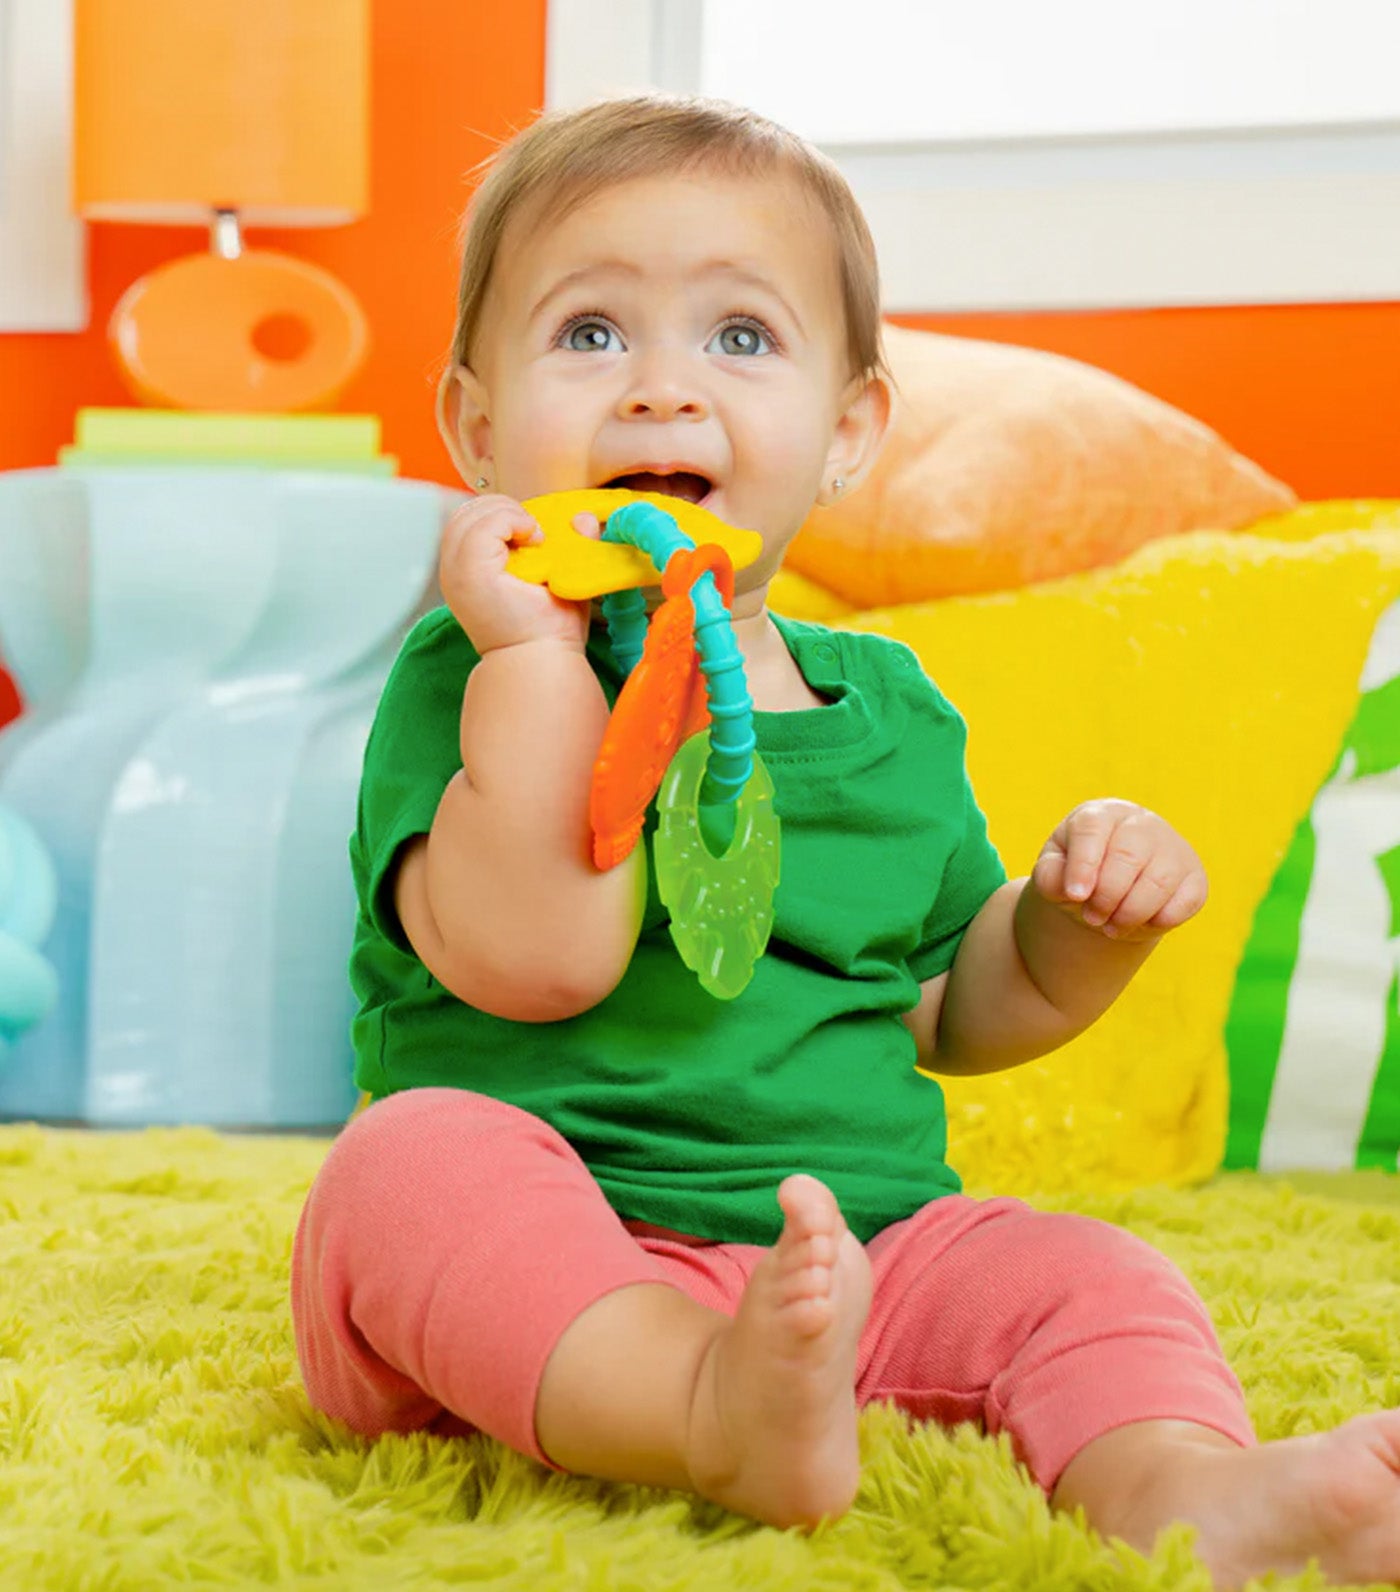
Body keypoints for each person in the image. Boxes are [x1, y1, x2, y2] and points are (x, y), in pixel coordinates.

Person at [291, 94, 1400, 1587]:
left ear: (847, 434)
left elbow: (954, 1004)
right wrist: (538, 664)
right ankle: (694, 1404)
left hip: (849, 1249)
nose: (662, 391)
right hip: (546, 1258)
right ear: (479, 430)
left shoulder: (891, 714)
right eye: (590, 334)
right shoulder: (468, 674)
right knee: (405, 1166)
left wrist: (1076, 927)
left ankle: (1187, 1490)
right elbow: (541, 959)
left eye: (739, 340)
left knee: (1083, 1271)